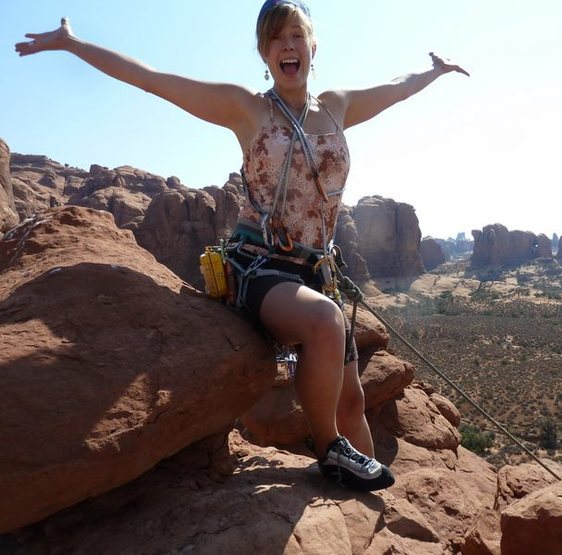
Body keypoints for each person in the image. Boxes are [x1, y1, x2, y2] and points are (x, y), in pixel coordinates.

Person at [16, 0, 469, 492]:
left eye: (296, 35)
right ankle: (330, 452)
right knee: (324, 322)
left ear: (313, 46)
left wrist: (433, 72)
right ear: (264, 52)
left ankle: (373, 498)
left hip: (317, 273)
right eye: (275, 38)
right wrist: (73, 44)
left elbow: (397, 91)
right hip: (260, 269)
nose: (287, 46)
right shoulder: (247, 109)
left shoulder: (338, 106)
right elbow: (152, 79)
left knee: (353, 401)